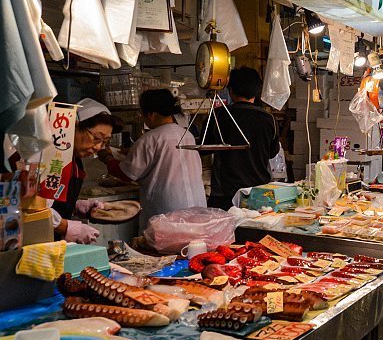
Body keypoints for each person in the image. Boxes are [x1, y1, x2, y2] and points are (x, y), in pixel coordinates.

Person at [99, 89, 206, 229]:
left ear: (151, 114)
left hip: (167, 209)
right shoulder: (186, 134)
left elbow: (126, 174)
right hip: (196, 207)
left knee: (165, 247)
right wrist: (131, 152)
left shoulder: (150, 139)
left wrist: (106, 157)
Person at [46, 99, 123, 244]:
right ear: (74, 127)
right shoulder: (53, 159)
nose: (99, 147)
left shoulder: (75, 161)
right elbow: (35, 209)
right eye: (97, 138)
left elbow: (52, 199)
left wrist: (75, 205)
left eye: (105, 142)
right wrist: (68, 227)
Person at [204, 67, 281, 210]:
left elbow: (203, 149)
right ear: (257, 91)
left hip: (225, 195)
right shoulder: (269, 119)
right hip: (259, 195)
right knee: (256, 232)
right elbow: (272, 153)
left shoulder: (218, 115)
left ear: (230, 90)